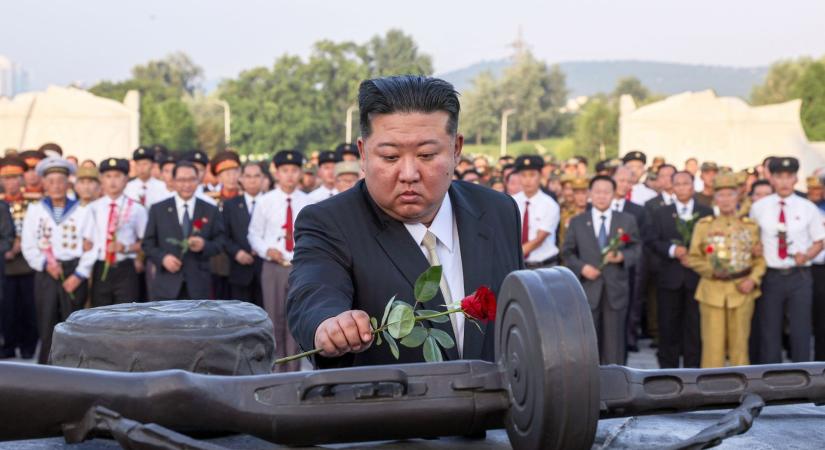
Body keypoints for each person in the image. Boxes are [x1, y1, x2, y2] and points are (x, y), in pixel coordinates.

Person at [287, 75, 524, 369]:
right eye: (390, 157)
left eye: (426, 155)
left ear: (456, 150)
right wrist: (329, 324)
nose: (409, 173)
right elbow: (313, 291)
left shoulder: (498, 211)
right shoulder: (329, 222)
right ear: (363, 153)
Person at [750, 157, 825, 363]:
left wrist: (808, 255)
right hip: (771, 275)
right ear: (771, 179)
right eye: (779, 177)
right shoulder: (759, 207)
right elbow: (751, 237)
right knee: (769, 329)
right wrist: (755, 248)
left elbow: (820, 240)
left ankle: (802, 379)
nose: (784, 181)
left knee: (801, 329)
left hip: (799, 276)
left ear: (795, 179)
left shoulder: (807, 207)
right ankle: (770, 379)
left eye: (788, 177)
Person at [687, 172, 766, 367]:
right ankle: (711, 393)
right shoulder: (704, 226)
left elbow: (760, 259)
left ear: (738, 196)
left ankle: (742, 390)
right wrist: (712, 270)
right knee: (712, 349)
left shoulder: (750, 227)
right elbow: (693, 258)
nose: (726, 199)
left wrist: (753, 280)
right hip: (711, 292)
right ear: (715, 198)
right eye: (721, 195)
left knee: (740, 347)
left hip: (742, 291)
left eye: (730, 194)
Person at [561, 175, 641, 364]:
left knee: (615, 343)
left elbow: (637, 249)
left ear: (614, 194)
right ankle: (590, 383)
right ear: (590, 194)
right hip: (588, 288)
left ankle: (617, 384)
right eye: (597, 191)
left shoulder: (627, 220)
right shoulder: (578, 222)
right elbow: (567, 252)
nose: (601, 196)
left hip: (616, 289)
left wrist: (621, 257)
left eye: (606, 192)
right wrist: (582, 268)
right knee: (589, 340)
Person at [21, 158, 91, 364]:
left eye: (60, 181)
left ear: (68, 183)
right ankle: (46, 369)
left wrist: (79, 275)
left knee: (73, 322)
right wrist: (44, 264)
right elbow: (28, 244)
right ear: (44, 184)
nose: (56, 186)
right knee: (47, 321)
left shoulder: (82, 210)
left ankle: (75, 366)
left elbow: (92, 245)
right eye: (51, 181)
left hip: (73, 270)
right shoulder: (35, 210)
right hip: (46, 271)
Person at [247, 150, 309, 372]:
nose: (290, 176)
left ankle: (293, 368)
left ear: (300, 173)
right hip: (273, 266)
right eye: (285, 171)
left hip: (298, 266)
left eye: (294, 171)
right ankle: (275, 367)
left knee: (295, 316)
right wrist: (267, 250)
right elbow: (254, 234)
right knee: (273, 317)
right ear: (276, 173)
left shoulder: (308, 201)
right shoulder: (265, 202)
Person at [647, 171, 713, 368]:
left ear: (693, 186)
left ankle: (693, 371)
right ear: (672, 187)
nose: (682, 187)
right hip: (669, 278)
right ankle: (668, 371)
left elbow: (712, 243)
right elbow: (652, 241)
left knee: (694, 326)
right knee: (668, 326)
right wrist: (673, 250)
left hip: (697, 278)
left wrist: (695, 256)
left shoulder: (706, 212)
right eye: (678, 184)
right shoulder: (661, 213)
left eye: (686, 183)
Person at [141, 161, 225, 301]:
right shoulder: (158, 209)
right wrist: (163, 258)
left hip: (198, 284)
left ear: (198, 180)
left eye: (191, 179)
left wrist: (204, 245)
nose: (187, 184)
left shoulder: (210, 209)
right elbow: (148, 244)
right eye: (181, 180)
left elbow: (220, 242)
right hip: (166, 284)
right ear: (173, 181)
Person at [79, 158, 147, 307]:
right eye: (108, 176)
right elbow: (86, 239)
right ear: (101, 180)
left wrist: (127, 248)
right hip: (101, 267)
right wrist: (85, 244)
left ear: (126, 179)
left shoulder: (137, 209)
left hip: (125, 267)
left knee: (126, 312)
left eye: (117, 176)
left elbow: (146, 242)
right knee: (100, 312)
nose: (112, 181)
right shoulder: (93, 208)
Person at [0, 157, 37, 359]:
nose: (10, 183)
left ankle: (28, 345)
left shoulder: (33, 201)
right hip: (4, 263)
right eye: (6, 178)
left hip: (27, 262)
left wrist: (21, 244)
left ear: (21, 179)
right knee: (7, 307)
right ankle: (8, 344)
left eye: (15, 178)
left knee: (28, 307)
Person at [611, 165, 648, 352]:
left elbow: (641, 240)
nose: (624, 184)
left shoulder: (638, 210)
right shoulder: (601, 205)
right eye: (621, 180)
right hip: (604, 264)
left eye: (628, 181)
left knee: (633, 300)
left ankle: (629, 338)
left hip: (629, 263)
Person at [223, 162, 265, 306]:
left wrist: (262, 248)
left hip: (266, 268)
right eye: (248, 176)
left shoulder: (272, 202)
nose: (252, 180)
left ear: (263, 178)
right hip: (239, 270)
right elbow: (223, 235)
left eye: (256, 176)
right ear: (240, 179)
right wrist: (237, 253)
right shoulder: (230, 205)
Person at [511, 155, 560, 269]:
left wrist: (512, 256)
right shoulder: (511, 201)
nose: (528, 180)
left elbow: (538, 240)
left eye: (532, 175)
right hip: (517, 265)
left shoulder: (549, 204)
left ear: (540, 176)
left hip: (544, 266)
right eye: (523, 175)